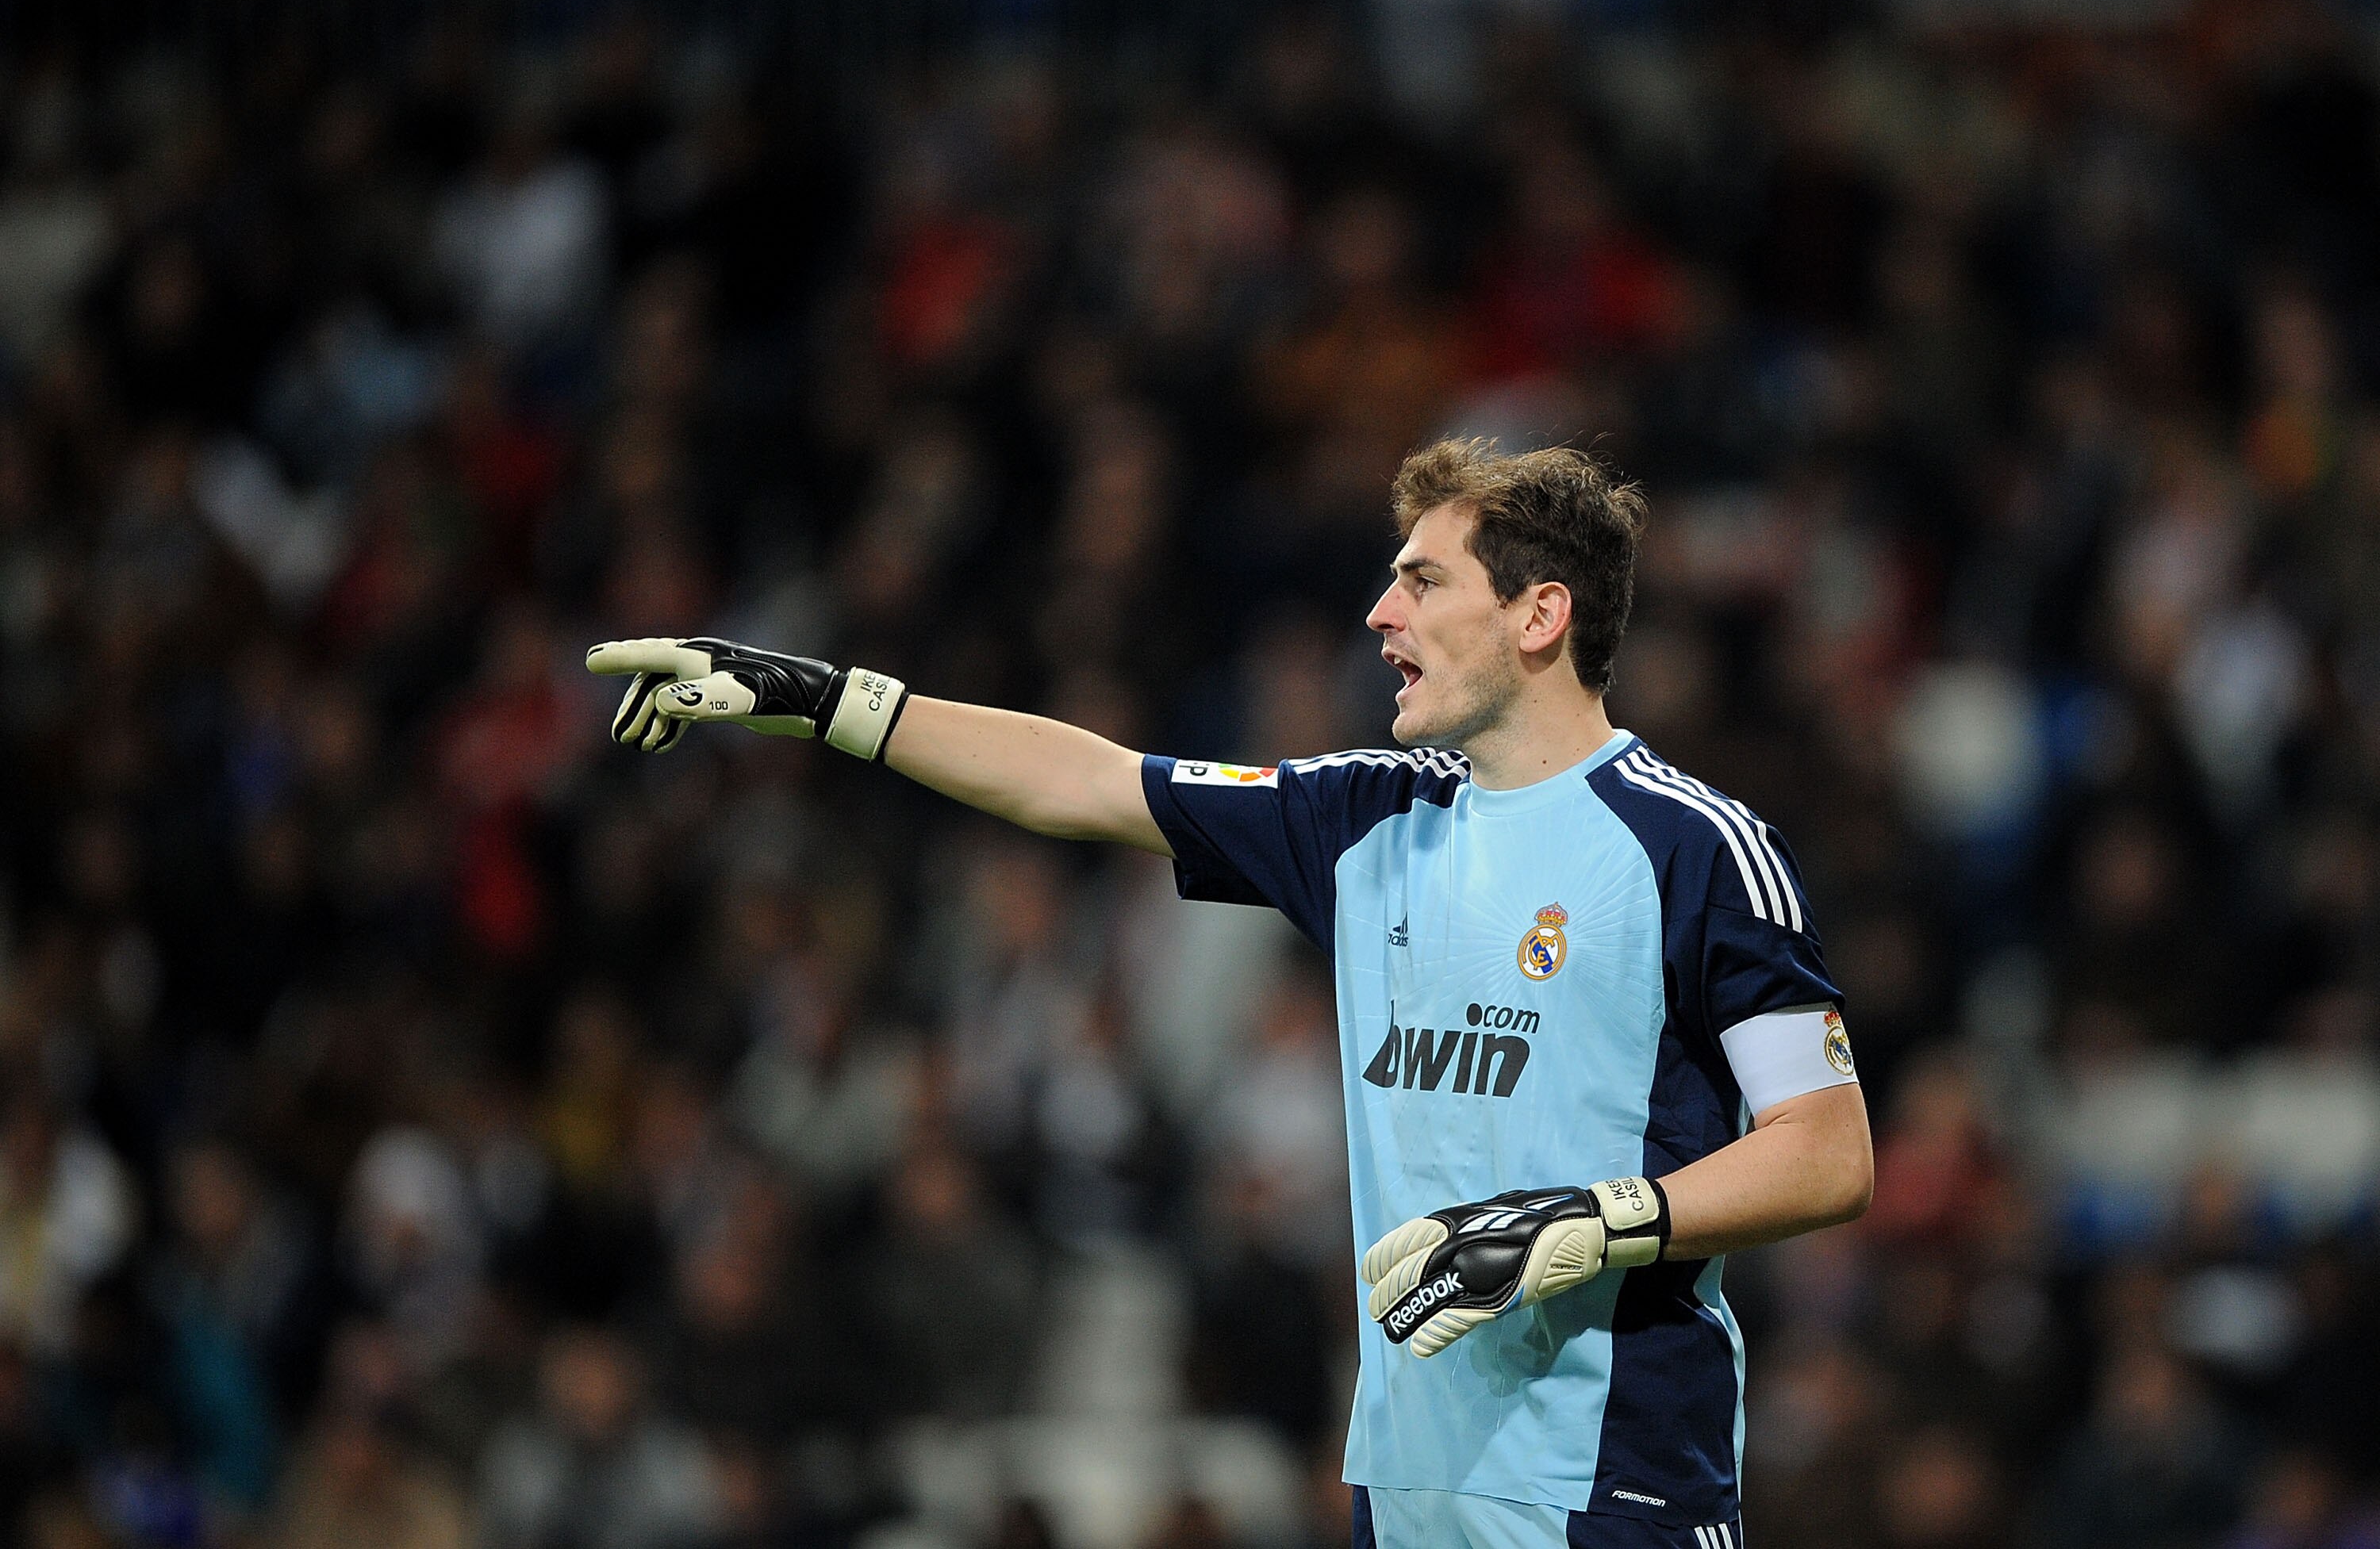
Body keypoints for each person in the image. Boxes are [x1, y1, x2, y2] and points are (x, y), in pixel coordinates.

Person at [583, 438, 1874, 1549]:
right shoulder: (1368, 819)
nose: (1381, 614)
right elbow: (1088, 782)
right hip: (1409, 1482)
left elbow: (1828, 1152)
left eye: (1424, 581)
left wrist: (1588, 1223)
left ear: (1540, 616)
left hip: (1614, 1481)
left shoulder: (1693, 850)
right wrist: (826, 700)